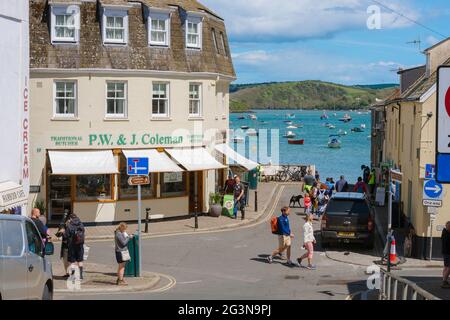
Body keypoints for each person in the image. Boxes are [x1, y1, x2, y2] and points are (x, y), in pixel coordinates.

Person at [65, 214, 85, 280]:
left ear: (70, 218)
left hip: (72, 246)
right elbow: (83, 232)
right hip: (80, 245)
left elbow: (66, 235)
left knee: (72, 261)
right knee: (80, 260)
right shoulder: (81, 224)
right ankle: (81, 275)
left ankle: (73, 276)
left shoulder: (69, 225)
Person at [55, 213, 71, 278]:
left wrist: (64, 233)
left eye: (69, 220)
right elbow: (58, 235)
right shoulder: (64, 226)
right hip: (65, 247)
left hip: (71, 247)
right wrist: (60, 231)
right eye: (67, 221)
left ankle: (71, 274)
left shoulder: (73, 228)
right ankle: (67, 273)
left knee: (70, 261)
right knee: (65, 261)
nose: (68, 222)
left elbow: (70, 237)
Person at [441, 221, 450, 289]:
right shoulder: (447, 234)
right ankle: (444, 281)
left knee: (446, 267)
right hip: (448, 252)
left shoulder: (444, 233)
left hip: (445, 252)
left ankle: (444, 280)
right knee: (448, 268)